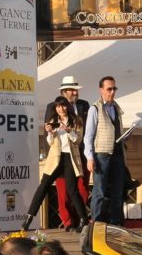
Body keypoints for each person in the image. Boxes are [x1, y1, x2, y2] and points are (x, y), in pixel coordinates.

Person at [21, 95, 90, 232]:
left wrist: (69, 131)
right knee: (43, 185)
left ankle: (84, 219)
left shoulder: (77, 121)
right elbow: (50, 142)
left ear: (67, 106)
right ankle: (28, 218)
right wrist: (50, 133)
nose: (61, 109)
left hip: (69, 158)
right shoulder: (53, 121)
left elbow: (78, 141)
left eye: (63, 105)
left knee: (72, 190)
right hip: (55, 159)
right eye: (58, 106)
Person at [43, 76, 90, 230]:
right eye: (71, 90)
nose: (75, 92)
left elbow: (87, 130)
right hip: (61, 155)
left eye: (76, 89)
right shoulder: (52, 106)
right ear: (64, 91)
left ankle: (80, 218)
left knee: (81, 188)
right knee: (62, 190)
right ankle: (68, 222)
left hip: (80, 152)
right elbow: (48, 129)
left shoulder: (83, 105)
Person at [84, 76, 126, 225]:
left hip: (117, 153)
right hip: (101, 154)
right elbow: (88, 136)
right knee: (99, 191)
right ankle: (97, 224)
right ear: (101, 90)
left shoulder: (116, 108)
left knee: (117, 191)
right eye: (109, 89)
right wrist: (89, 157)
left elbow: (115, 130)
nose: (112, 92)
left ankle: (116, 223)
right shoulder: (94, 109)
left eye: (114, 88)